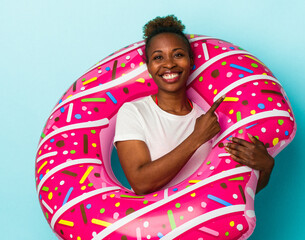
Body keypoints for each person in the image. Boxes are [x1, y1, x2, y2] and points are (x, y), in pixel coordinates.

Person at [114, 15, 274, 195]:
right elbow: (141, 183)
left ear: (191, 61)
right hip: (151, 222)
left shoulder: (211, 121)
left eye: (178, 55)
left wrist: (266, 167)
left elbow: (236, 193)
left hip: (203, 222)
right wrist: (196, 138)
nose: (169, 64)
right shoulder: (134, 112)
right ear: (149, 66)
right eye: (158, 57)